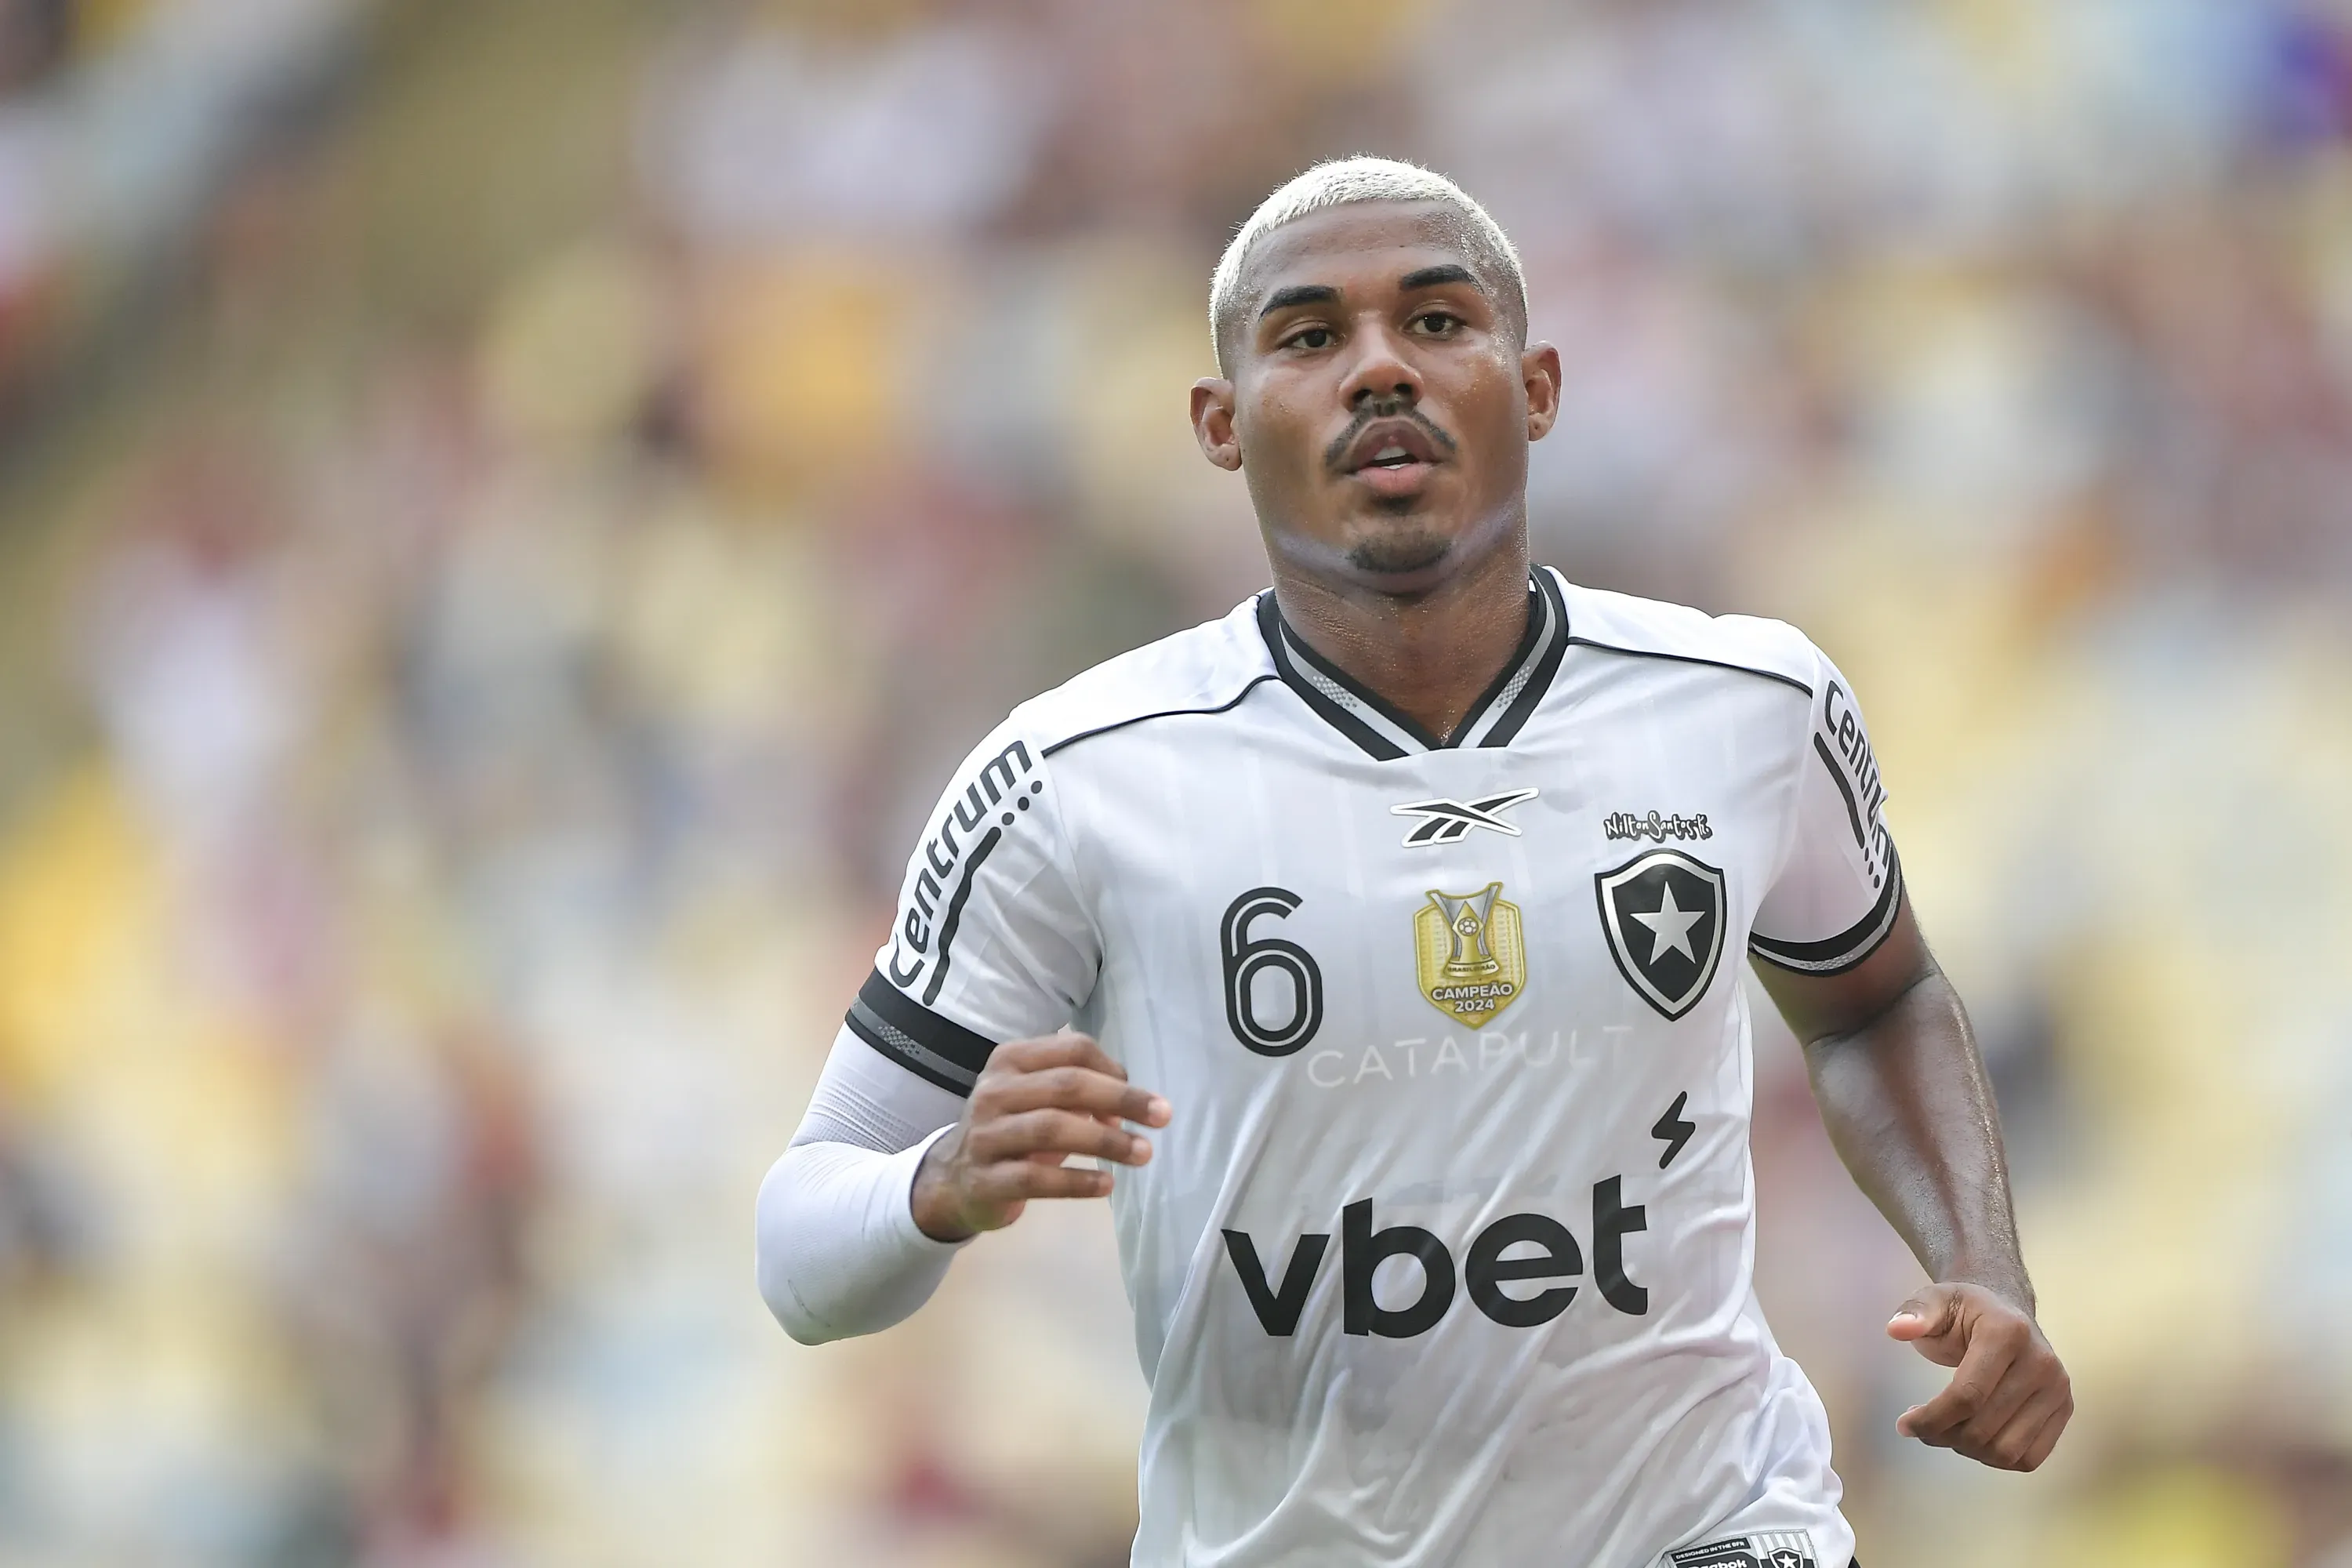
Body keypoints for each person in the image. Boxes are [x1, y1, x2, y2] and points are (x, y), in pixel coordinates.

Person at [756, 157, 2070, 1568]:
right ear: (1220, 422)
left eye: (1439, 322)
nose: (1381, 369)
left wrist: (1982, 1267)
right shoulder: (1073, 781)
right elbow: (801, 1251)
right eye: (1312, 337)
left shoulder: (1751, 707)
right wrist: (936, 1184)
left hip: (1713, 1533)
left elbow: (1875, 999)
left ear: (1540, 387)